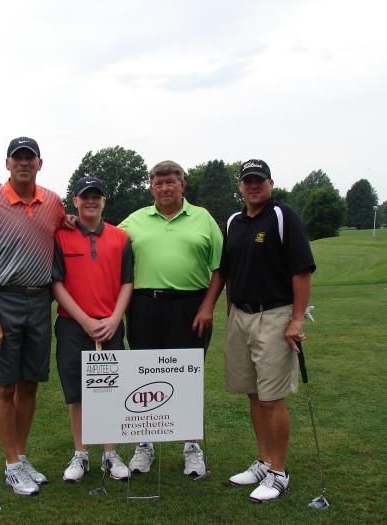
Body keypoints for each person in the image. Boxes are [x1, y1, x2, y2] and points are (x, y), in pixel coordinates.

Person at [201, 159, 316, 503]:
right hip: (241, 315)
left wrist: (296, 320)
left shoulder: (283, 217)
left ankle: (279, 472)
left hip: (275, 316)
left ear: (270, 183)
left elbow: (302, 271)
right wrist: (223, 308)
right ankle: (264, 461)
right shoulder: (235, 221)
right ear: (240, 186)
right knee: (253, 393)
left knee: (272, 398)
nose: (253, 186)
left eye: (259, 180)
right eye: (247, 181)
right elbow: (227, 270)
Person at [0, 136, 65, 497]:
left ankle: (21, 456)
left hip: (39, 302)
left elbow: (62, 227)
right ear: (7, 164)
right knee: (5, 385)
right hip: (3, 302)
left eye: (30, 158)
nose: (24, 163)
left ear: (40, 163)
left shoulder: (52, 202)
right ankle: (11, 465)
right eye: (17, 158)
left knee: (29, 383)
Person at [118, 160, 223, 477]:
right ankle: (144, 445)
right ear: (150, 187)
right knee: (144, 377)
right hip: (144, 306)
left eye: (170, 182)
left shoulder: (202, 218)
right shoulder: (134, 221)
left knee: (186, 379)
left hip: (191, 307)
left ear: (183, 185)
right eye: (158, 183)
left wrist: (208, 307)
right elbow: (100, 238)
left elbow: (220, 269)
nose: (164, 188)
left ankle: (191, 447)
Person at [52, 176, 134, 482]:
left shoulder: (120, 238)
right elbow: (57, 284)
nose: (91, 200)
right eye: (85, 196)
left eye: (96, 196)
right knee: (77, 394)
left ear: (104, 201)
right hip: (73, 326)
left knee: (110, 391)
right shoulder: (61, 236)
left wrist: (114, 319)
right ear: (74, 201)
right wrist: (85, 321)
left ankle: (111, 455)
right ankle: (81, 454)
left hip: (110, 326)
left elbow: (127, 281)